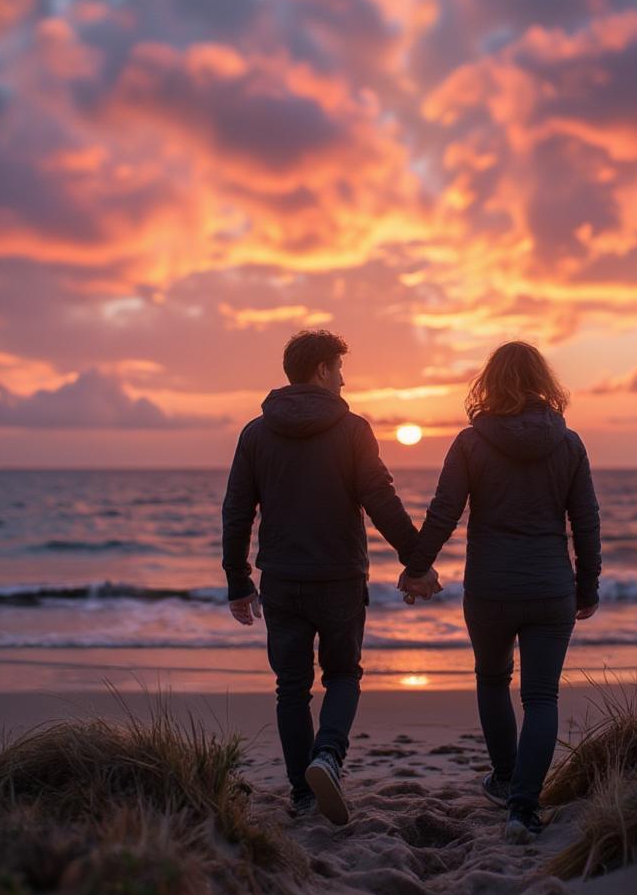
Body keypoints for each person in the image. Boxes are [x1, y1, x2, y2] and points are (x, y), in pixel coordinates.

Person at [223, 330, 439, 824]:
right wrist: (418, 561)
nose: (344, 380)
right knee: (342, 674)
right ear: (322, 370)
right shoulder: (352, 430)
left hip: (280, 580)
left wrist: (238, 580)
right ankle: (328, 757)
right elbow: (381, 499)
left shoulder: (255, 433)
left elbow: (236, 512)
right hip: (339, 579)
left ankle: (302, 793)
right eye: (340, 369)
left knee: (291, 687)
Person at [399, 341, 600, 843]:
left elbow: (443, 512)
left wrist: (417, 568)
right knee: (540, 696)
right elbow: (586, 524)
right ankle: (523, 807)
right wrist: (587, 586)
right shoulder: (569, 443)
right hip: (550, 586)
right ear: (543, 383)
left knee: (492, 681)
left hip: (489, 588)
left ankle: (506, 779)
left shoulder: (471, 443)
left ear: (489, 383)